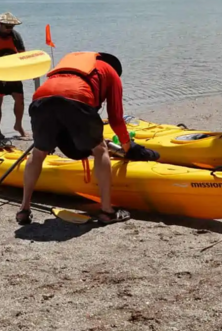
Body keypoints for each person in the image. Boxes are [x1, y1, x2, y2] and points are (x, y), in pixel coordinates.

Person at [16, 51, 158, 226]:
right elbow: (116, 119)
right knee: (100, 149)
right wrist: (128, 147)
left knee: (39, 152)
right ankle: (107, 211)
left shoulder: (76, 65)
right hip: (78, 97)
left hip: (40, 98)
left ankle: (24, 209)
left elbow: (60, 108)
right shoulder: (111, 74)